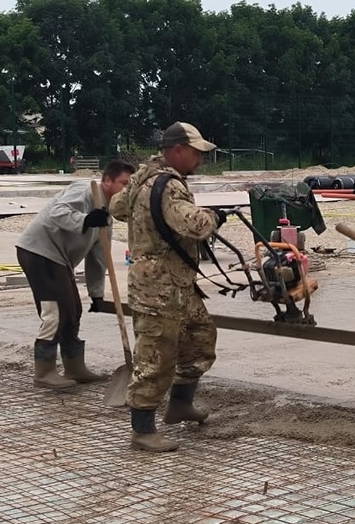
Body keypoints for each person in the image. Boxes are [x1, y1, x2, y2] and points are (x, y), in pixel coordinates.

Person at [110, 122, 226, 453]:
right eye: (195, 153)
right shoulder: (169, 185)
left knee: (200, 338)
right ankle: (143, 431)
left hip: (176, 285)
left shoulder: (142, 177)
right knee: (156, 357)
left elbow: (118, 207)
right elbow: (195, 224)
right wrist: (214, 216)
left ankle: (180, 404)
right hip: (158, 289)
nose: (200, 160)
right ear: (176, 150)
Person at [16, 159, 135, 390]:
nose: (127, 190)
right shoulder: (84, 191)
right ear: (107, 180)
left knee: (73, 309)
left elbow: (99, 258)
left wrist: (96, 294)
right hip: (39, 251)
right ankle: (44, 371)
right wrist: (85, 219)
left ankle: (74, 365)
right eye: (124, 183)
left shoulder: (106, 215)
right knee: (55, 311)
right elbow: (58, 212)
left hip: (59, 259)